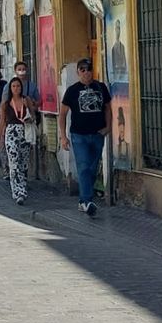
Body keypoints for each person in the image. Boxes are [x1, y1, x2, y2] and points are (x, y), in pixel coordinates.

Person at [59, 57, 110, 216]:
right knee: (83, 166)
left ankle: (83, 201)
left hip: (97, 134)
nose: (86, 72)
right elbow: (62, 114)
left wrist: (108, 127)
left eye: (89, 69)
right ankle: (87, 201)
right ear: (78, 72)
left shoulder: (101, 87)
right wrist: (63, 136)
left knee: (93, 168)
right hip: (79, 135)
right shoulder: (72, 91)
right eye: (83, 70)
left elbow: (107, 108)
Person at [0, 75, 36, 205]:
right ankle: (17, 192)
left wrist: (29, 113)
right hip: (11, 132)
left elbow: (33, 116)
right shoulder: (6, 104)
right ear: (10, 88)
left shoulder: (26, 99)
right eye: (13, 86)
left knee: (23, 163)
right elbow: (2, 121)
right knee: (13, 162)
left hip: (24, 131)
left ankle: (23, 188)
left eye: (18, 86)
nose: (16, 88)